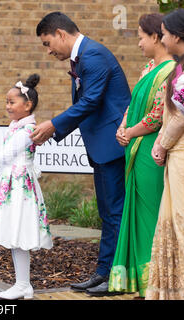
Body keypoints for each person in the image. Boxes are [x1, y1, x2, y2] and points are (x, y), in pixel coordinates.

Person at [32, 12, 131, 296]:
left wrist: (53, 125)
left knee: (115, 213)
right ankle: (103, 273)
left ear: (61, 34)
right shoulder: (83, 57)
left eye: (48, 43)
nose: (49, 50)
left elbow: (90, 102)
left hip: (112, 145)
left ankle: (115, 278)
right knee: (107, 213)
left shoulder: (93, 55)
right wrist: (56, 128)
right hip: (102, 147)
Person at [108, 13, 175, 298]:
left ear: (156, 37)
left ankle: (154, 284)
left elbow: (159, 114)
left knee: (149, 216)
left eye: (140, 37)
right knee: (134, 214)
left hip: (151, 151)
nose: (138, 44)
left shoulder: (171, 70)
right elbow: (134, 102)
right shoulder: (149, 67)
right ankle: (139, 283)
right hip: (135, 146)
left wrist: (132, 132)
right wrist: (123, 126)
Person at [0, 74, 53, 300]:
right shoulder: (17, 127)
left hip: (18, 186)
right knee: (15, 233)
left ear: (28, 105)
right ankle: (22, 284)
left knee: (19, 231)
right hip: (11, 182)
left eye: (12, 102)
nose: (7, 106)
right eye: (6, 102)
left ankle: (23, 284)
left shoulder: (27, 130)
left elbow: (6, 155)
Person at [146, 9, 184, 300]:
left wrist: (161, 144)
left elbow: (178, 118)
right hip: (180, 153)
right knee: (175, 224)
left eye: (164, 33)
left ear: (177, 35)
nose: (162, 38)